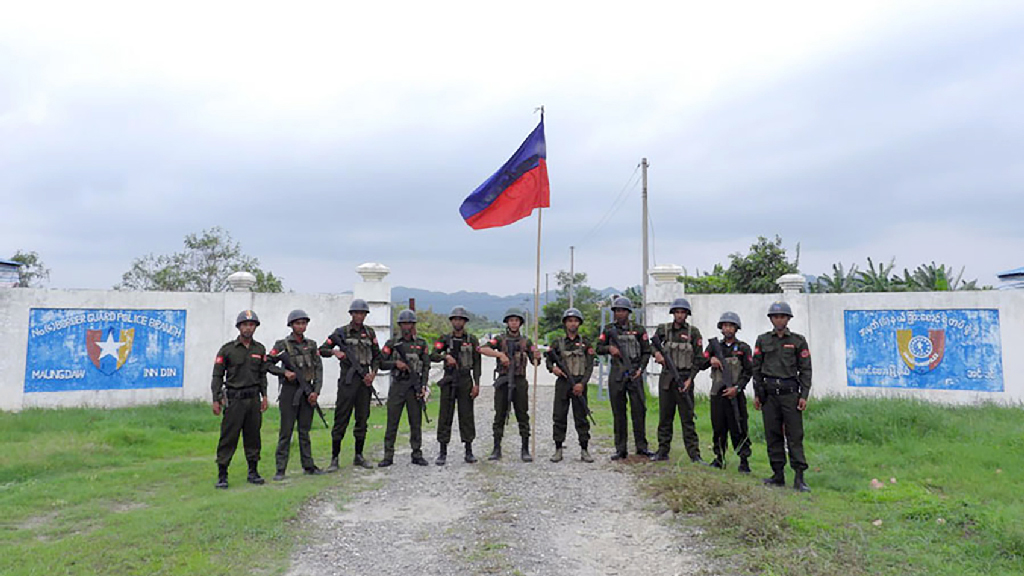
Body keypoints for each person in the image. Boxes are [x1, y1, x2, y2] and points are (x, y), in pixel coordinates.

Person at [752, 301, 812, 492]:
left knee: (794, 435)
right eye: (776, 317)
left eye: (782, 316)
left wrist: (804, 394)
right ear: (771, 319)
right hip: (769, 395)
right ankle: (777, 474)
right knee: (772, 434)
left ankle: (799, 477)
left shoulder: (798, 341)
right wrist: (758, 394)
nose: (779, 320)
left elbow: (805, 369)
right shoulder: (762, 340)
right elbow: (756, 368)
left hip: (790, 394)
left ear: (788, 319)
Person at [211, 310, 270, 489]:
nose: (248, 328)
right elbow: (217, 375)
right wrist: (216, 398)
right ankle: (222, 474)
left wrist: (265, 396)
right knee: (229, 437)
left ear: (255, 327)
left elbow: (262, 375)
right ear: (239, 327)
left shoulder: (259, 349)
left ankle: (253, 471)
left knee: (253, 437)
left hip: (253, 399)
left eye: (251, 325)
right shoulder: (227, 349)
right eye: (245, 324)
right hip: (234, 400)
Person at [319, 299, 381, 471]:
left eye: (362, 313)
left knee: (362, 418)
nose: (359, 316)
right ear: (351, 314)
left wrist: (373, 374)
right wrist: (334, 352)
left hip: (364, 381)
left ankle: (359, 455)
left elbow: (377, 356)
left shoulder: (369, 333)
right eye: (356, 313)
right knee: (341, 418)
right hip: (348, 381)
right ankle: (334, 458)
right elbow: (322, 349)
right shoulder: (341, 332)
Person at [267, 309, 325, 480]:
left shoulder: (312, 345)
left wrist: (316, 392)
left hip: (307, 391)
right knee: (286, 431)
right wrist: (283, 373)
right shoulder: (282, 345)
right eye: (297, 323)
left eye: (303, 323)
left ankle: (308, 466)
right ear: (291, 325)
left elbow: (318, 369)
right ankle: (280, 469)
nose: (301, 326)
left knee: (304, 431)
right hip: (289, 392)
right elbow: (267, 363)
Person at [651, 297, 709, 464]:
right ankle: (662, 451)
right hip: (667, 379)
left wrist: (690, 380)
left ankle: (694, 455)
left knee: (687, 419)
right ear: (673, 313)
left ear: (687, 314)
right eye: (677, 312)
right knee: (665, 418)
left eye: (683, 312)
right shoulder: (664, 330)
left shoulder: (693, 333)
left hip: (685, 380)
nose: (680, 315)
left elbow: (698, 358)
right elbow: (651, 345)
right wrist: (657, 354)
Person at [479, 308, 541, 462]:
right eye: (511, 320)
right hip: (503, 380)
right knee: (500, 414)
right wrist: (500, 354)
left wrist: (536, 356)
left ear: (520, 323)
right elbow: (482, 349)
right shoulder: (499, 340)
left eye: (516, 320)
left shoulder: (526, 341)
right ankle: (496, 448)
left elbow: (536, 362)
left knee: (522, 415)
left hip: (520, 381)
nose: (514, 323)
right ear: (507, 322)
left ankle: (525, 448)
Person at [596, 296, 653, 460]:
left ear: (628, 312)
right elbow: (598, 348)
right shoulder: (608, 329)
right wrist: (609, 349)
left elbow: (646, 351)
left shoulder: (639, 329)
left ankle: (641, 447)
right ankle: (620, 449)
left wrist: (641, 369)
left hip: (634, 372)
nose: (619, 314)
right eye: (616, 311)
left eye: (622, 311)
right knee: (619, 413)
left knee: (639, 411)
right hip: (617, 374)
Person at [378, 309, 431, 467]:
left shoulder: (421, 343)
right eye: (404, 324)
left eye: (409, 323)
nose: (407, 326)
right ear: (400, 325)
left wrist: (423, 386)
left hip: (413, 387)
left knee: (415, 422)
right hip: (398, 385)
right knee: (392, 422)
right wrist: (396, 364)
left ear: (413, 325)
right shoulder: (392, 343)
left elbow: (426, 366)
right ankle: (388, 455)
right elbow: (381, 363)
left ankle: (416, 453)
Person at [430, 306, 482, 465]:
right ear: (452, 321)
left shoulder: (471, 340)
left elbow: (477, 363)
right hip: (449, 379)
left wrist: (477, 384)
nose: (458, 322)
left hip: (465, 380)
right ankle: (442, 451)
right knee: (445, 415)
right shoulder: (444, 339)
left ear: (465, 322)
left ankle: (468, 450)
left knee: (466, 415)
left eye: (461, 319)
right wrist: (445, 357)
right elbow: (432, 354)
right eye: (455, 319)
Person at [545, 307, 596, 463]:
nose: (572, 324)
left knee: (581, 417)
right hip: (563, 384)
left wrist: (582, 384)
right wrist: (552, 368)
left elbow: (589, 366)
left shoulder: (585, 343)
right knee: (559, 416)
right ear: (565, 324)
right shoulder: (558, 343)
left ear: (579, 323)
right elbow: (548, 359)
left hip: (579, 383)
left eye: (575, 321)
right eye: (569, 321)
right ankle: (558, 449)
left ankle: (584, 449)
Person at [705, 311, 753, 472]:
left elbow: (748, 372)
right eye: (725, 325)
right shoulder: (713, 346)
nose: (727, 329)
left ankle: (744, 460)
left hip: (736, 395)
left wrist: (737, 388)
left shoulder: (743, 348)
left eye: (731, 326)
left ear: (736, 328)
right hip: (717, 394)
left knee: (739, 427)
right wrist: (710, 360)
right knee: (718, 427)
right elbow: (700, 361)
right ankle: (719, 458)